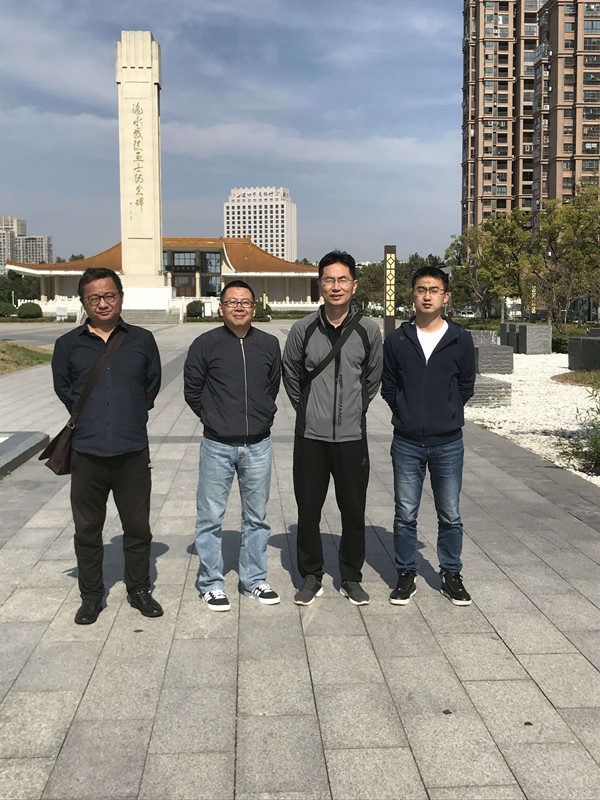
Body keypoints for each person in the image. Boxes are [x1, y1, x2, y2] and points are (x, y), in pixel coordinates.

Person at [52, 267, 163, 624]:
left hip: (132, 451)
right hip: (87, 451)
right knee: (87, 530)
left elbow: (151, 385)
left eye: (109, 295)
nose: (103, 303)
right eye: (94, 298)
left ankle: (139, 589)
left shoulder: (142, 340)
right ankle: (91, 596)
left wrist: (129, 412)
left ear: (121, 297)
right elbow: (64, 388)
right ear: (84, 302)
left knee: (138, 528)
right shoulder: (68, 344)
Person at [282, 250, 383, 606]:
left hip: (352, 438)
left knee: (353, 512)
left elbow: (372, 379)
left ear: (354, 285)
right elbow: (291, 375)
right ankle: (311, 574)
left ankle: (351, 576)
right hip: (310, 436)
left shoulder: (368, 330)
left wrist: (353, 411)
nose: (335, 286)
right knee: (308, 510)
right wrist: (310, 411)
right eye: (329, 280)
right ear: (320, 285)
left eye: (342, 280)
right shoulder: (303, 329)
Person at [381, 266, 476, 606]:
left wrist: (445, 413)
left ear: (445, 297)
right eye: (421, 289)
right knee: (405, 514)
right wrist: (408, 413)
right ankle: (406, 573)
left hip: (448, 442)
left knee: (450, 514)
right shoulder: (397, 339)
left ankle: (451, 574)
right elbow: (389, 387)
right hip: (407, 442)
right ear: (412, 295)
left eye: (434, 290)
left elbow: (466, 385)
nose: (427, 296)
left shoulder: (460, 338)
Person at [184, 280, 281, 611]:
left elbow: (272, 386)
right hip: (217, 444)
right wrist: (215, 418)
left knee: (257, 518)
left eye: (245, 302)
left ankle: (254, 579)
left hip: (258, 445)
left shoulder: (268, 344)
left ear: (254, 307)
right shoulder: (205, 344)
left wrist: (262, 415)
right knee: (210, 517)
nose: (239, 307)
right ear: (221, 307)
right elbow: (192, 390)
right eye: (232, 302)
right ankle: (211, 584)